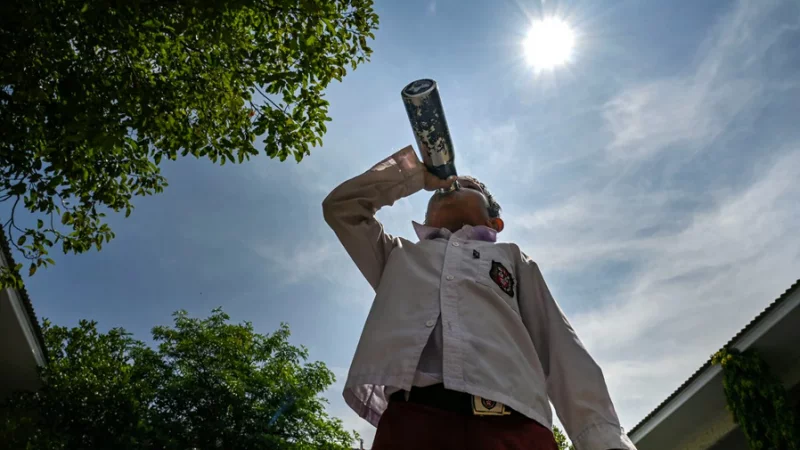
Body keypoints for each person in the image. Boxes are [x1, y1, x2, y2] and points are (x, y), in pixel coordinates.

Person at [323, 145, 636, 450]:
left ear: (494, 223)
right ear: (427, 218)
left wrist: (605, 442)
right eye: (444, 185)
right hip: (411, 421)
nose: (453, 183)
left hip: (516, 424)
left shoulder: (513, 259)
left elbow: (561, 347)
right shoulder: (398, 255)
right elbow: (342, 209)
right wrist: (414, 175)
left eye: (470, 186)